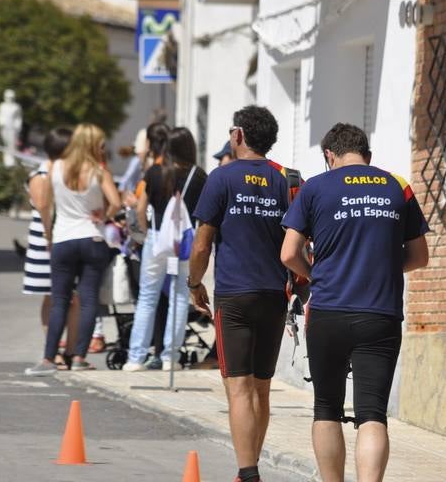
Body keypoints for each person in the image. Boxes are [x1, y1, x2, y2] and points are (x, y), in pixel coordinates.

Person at [280, 123, 429, 482]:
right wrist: (386, 268)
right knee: (372, 414)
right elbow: (420, 256)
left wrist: (315, 276)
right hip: (380, 314)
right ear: (368, 157)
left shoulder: (315, 187)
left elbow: (288, 254)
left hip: (329, 312)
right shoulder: (398, 186)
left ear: (329, 156)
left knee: (326, 409)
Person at [188, 105, 290, 482]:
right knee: (261, 389)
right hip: (274, 294)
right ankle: (250, 467)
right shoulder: (287, 179)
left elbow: (201, 245)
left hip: (234, 295)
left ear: (238, 136)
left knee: (239, 388)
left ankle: (247, 473)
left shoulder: (221, 177)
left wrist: (194, 282)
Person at [25, 123, 121, 376]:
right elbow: (117, 202)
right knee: (88, 299)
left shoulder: (55, 168)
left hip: (63, 238)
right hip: (92, 238)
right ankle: (79, 356)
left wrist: (48, 234)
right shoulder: (98, 172)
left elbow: (44, 205)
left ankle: (48, 358)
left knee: (60, 300)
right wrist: (104, 216)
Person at [124, 125, 208, 372]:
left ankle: (135, 357)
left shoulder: (155, 172)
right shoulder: (199, 175)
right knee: (180, 297)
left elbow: (141, 210)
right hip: (185, 242)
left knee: (147, 298)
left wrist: (147, 233)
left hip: (157, 239)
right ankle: (171, 357)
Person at [22, 127, 79, 370]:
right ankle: (53, 349)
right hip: (46, 240)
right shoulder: (41, 175)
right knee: (52, 296)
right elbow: (43, 206)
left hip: (67, 237)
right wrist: (49, 237)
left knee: (72, 297)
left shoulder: (73, 172)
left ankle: (71, 351)